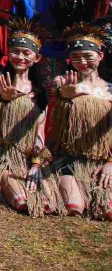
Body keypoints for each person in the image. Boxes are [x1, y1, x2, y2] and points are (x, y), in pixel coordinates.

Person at [0, 19, 63, 217]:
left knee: (50, 204)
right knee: (20, 201)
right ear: (8, 53)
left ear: (37, 57)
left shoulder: (39, 91)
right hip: (2, 154)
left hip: (27, 155)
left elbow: (40, 129)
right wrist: (3, 97)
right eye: (15, 51)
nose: (20, 57)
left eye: (26, 53)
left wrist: (36, 163)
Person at [48, 24, 112, 220]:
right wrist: (63, 96)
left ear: (100, 56)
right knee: (74, 207)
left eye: (87, 56)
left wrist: (110, 163)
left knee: (107, 211)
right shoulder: (63, 82)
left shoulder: (110, 89)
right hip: (69, 158)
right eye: (76, 56)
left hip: (101, 160)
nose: (82, 62)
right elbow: (51, 112)